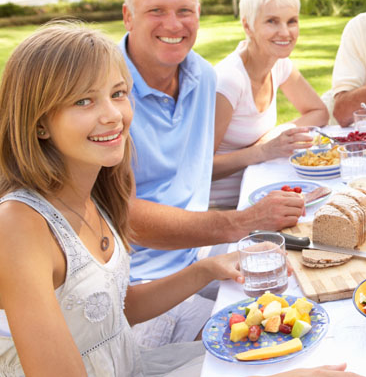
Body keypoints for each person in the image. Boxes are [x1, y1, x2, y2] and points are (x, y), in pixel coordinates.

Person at [0, 23, 244, 375]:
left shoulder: (96, 191)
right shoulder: (18, 226)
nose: (113, 115)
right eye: (83, 100)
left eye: (117, 93)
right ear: (39, 124)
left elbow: (110, 309)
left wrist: (205, 270)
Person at [120, 0, 304, 347]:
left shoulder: (201, 75)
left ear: (198, 13)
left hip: (199, 253)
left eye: (184, 10)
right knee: (270, 348)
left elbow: (194, 174)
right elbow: (124, 214)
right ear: (128, 16)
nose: (173, 24)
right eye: (156, 10)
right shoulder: (105, 88)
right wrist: (240, 222)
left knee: (300, 278)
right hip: (138, 286)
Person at [211, 0, 328, 209]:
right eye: (272, 21)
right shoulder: (229, 80)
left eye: (291, 21)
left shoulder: (278, 63)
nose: (285, 32)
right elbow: (200, 169)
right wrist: (262, 151)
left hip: (264, 190)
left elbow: (319, 112)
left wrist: (279, 132)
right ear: (247, 25)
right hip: (224, 208)